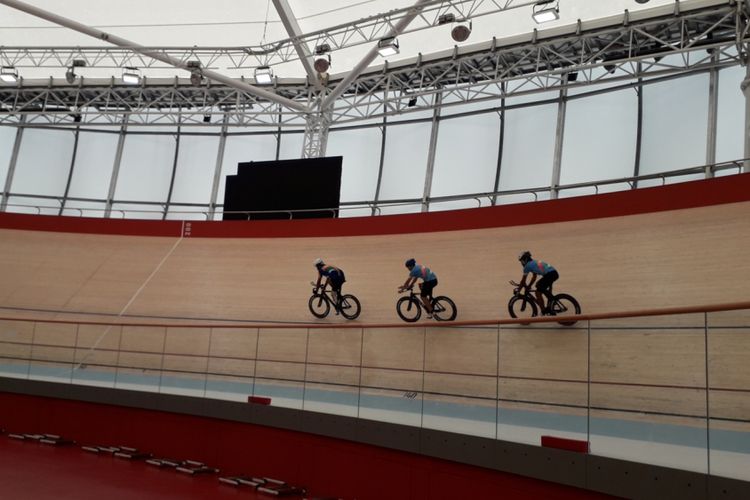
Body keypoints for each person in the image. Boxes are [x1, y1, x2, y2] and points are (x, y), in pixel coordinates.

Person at [517, 250, 559, 315]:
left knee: (537, 292)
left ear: (525, 259)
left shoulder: (527, 266)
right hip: (553, 273)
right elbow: (534, 277)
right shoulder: (534, 262)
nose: (521, 263)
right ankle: (551, 301)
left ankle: (543, 311)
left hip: (549, 275)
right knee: (539, 285)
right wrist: (529, 285)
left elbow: (523, 281)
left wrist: (518, 291)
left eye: (521, 261)